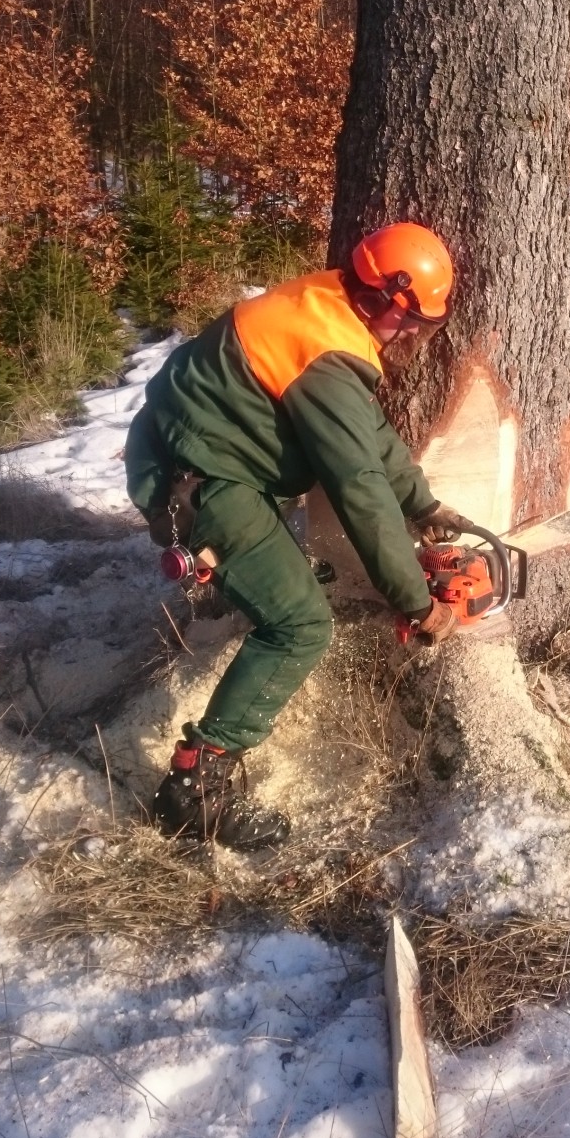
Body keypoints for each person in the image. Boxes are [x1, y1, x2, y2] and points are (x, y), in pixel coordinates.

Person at [124, 222, 469, 852]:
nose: (415, 336)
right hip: (194, 483)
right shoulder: (330, 357)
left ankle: (239, 589)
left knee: (294, 582)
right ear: (385, 301)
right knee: (300, 624)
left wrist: (424, 504)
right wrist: (415, 600)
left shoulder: (326, 307)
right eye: (413, 322)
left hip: (193, 452)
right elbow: (358, 486)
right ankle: (194, 790)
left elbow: (368, 438)